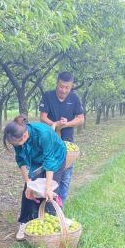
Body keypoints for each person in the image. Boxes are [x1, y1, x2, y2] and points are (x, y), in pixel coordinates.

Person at [3, 115, 67, 241]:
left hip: (56, 157)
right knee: (30, 191)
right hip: (37, 160)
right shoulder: (16, 137)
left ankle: (49, 224)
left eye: (17, 144)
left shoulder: (43, 133)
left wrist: (48, 188)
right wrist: (28, 182)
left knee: (49, 191)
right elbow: (21, 160)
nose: (15, 146)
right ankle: (25, 221)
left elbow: (50, 161)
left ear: (25, 136)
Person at [39, 71, 84, 205]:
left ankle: (59, 206)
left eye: (67, 88)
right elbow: (43, 117)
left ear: (71, 86)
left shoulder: (74, 98)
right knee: (49, 174)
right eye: (61, 86)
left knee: (65, 177)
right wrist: (54, 124)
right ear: (57, 83)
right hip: (50, 143)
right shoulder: (48, 96)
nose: (63, 90)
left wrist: (66, 124)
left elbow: (81, 119)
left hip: (67, 144)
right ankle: (46, 204)